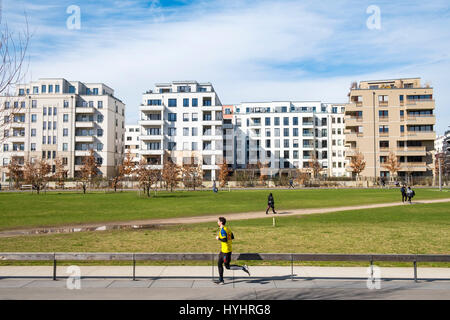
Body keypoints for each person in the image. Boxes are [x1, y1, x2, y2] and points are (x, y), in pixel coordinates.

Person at [215, 217, 250, 285]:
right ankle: (221, 280)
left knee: (227, 266)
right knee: (219, 264)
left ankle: (243, 267)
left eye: (218, 221)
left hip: (226, 252)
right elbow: (232, 237)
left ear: (221, 222)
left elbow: (224, 240)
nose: (217, 222)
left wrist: (218, 238)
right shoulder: (227, 229)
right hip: (223, 250)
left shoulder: (223, 230)